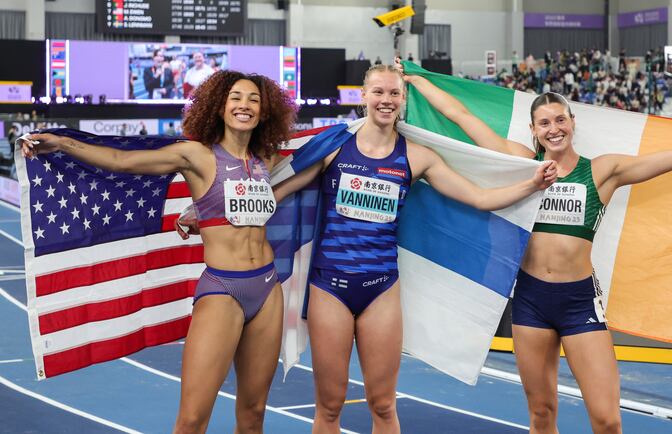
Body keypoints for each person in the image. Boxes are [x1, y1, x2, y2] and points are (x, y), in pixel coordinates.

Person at [399, 62, 672, 434]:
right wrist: (416, 80)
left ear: (572, 123)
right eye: (544, 123)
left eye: (560, 119)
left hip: (578, 302)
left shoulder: (602, 171)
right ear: (533, 131)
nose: (554, 129)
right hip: (530, 301)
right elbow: (462, 118)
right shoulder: (521, 164)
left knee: (607, 421)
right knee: (541, 415)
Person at [225, 64, 556, 434]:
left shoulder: (417, 157)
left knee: (383, 405)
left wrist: (532, 185)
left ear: (403, 99)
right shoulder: (335, 148)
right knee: (329, 406)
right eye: (378, 92)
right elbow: (276, 190)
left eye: (394, 93)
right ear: (363, 96)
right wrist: (206, 210)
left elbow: (479, 198)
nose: (386, 100)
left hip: (380, 288)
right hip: (328, 287)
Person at [19, 70, 296, 434]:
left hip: (268, 287)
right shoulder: (196, 155)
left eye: (254, 99)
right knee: (193, 419)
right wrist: (61, 143)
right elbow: (121, 162)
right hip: (223, 289)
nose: (244, 105)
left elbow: (317, 155)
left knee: (254, 413)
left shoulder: (267, 159)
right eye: (235, 97)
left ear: (265, 111)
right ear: (218, 106)